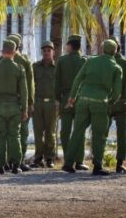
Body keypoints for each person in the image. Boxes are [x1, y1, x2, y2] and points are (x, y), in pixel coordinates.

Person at [62, 40, 123, 175]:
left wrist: (72, 97)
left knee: (77, 131)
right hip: (100, 102)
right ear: (115, 51)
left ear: (102, 49)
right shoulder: (116, 68)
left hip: (83, 100)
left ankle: (68, 163)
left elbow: (78, 79)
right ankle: (98, 166)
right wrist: (110, 101)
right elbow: (117, 92)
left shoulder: (90, 61)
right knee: (99, 135)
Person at [0, 40, 28, 174]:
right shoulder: (19, 69)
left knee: (0, 137)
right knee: (14, 136)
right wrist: (24, 109)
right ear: (14, 52)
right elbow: (24, 92)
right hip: (14, 107)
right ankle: (16, 165)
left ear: (2, 51)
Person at [55, 34, 87, 170]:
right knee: (80, 130)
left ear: (70, 46)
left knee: (65, 131)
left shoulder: (62, 61)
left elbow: (56, 82)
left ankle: (69, 159)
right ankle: (79, 161)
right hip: (81, 98)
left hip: (66, 97)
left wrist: (57, 99)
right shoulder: (85, 61)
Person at [4, 34, 34, 172]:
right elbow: (29, 84)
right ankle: (19, 160)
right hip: (20, 102)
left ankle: (5, 160)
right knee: (21, 133)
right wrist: (30, 103)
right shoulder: (24, 62)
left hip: (3, 102)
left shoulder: (1, 60)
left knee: (4, 133)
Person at [31, 41, 58, 168]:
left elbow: (61, 85)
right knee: (37, 132)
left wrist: (59, 102)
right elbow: (31, 85)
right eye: (44, 50)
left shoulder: (57, 67)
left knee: (50, 132)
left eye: (49, 50)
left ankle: (49, 158)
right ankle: (38, 157)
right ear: (41, 52)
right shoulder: (35, 67)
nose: (46, 52)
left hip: (52, 103)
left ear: (53, 52)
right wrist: (31, 102)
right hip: (38, 102)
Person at [108, 38, 126, 173]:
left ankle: (97, 162)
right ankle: (120, 163)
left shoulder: (104, 62)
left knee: (102, 132)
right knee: (122, 134)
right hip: (122, 102)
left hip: (107, 102)